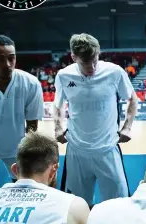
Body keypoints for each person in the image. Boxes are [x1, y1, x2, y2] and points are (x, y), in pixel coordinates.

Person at [53, 33, 138, 206]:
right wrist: (57, 127)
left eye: (95, 59)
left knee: (118, 205)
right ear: (74, 57)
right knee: (77, 206)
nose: (91, 66)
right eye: (85, 62)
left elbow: (132, 99)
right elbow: (57, 105)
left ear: (99, 53)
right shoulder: (63, 75)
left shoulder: (114, 72)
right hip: (77, 150)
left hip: (108, 148)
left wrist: (127, 127)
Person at [0, 35, 44, 199]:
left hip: (17, 149)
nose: (7, 64)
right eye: (0, 59)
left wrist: (28, 164)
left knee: (21, 197)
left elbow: (32, 130)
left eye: (12, 58)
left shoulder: (30, 83)